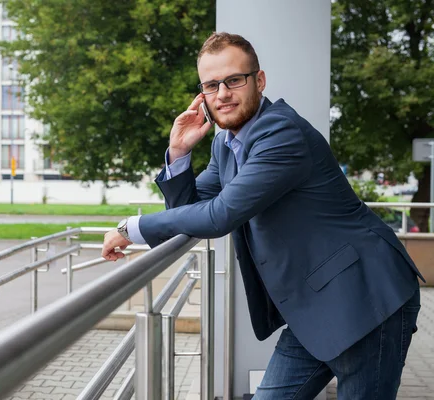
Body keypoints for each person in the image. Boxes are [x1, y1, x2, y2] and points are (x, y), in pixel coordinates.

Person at [101, 32, 424, 399]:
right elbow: (190, 207)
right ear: (202, 94)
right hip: (314, 306)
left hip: (367, 297)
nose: (222, 93)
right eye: (211, 85)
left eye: (233, 80)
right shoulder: (227, 142)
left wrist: (132, 228)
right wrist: (178, 153)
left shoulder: (280, 133)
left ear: (259, 80)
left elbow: (218, 216)